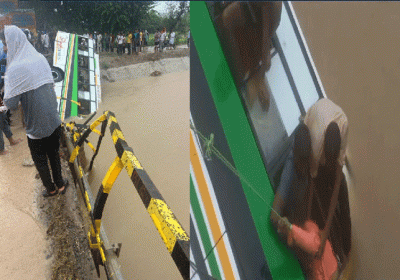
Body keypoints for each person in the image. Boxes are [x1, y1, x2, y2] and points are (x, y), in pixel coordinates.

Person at [1, 25, 69, 197]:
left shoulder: (15, 69)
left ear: (12, 43)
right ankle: (60, 185)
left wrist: (8, 88)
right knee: (54, 154)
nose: (5, 48)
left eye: (5, 44)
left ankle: (51, 189)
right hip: (53, 119)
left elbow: (11, 104)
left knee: (40, 159)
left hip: (36, 127)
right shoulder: (39, 58)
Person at [271, 123, 340, 280]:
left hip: (304, 227)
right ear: (294, 156)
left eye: (306, 162)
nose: (303, 167)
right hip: (297, 227)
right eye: (300, 162)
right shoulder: (289, 172)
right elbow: (274, 216)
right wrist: (287, 226)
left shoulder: (310, 162)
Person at [304, 98, 352, 270]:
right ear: (324, 149)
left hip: (327, 114)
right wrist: (321, 229)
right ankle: (337, 247)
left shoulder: (344, 123)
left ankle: (347, 250)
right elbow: (312, 185)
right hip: (314, 118)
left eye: (334, 161)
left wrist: (335, 166)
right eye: (329, 161)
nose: (331, 165)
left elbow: (338, 179)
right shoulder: (316, 148)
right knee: (323, 199)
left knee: (342, 195)